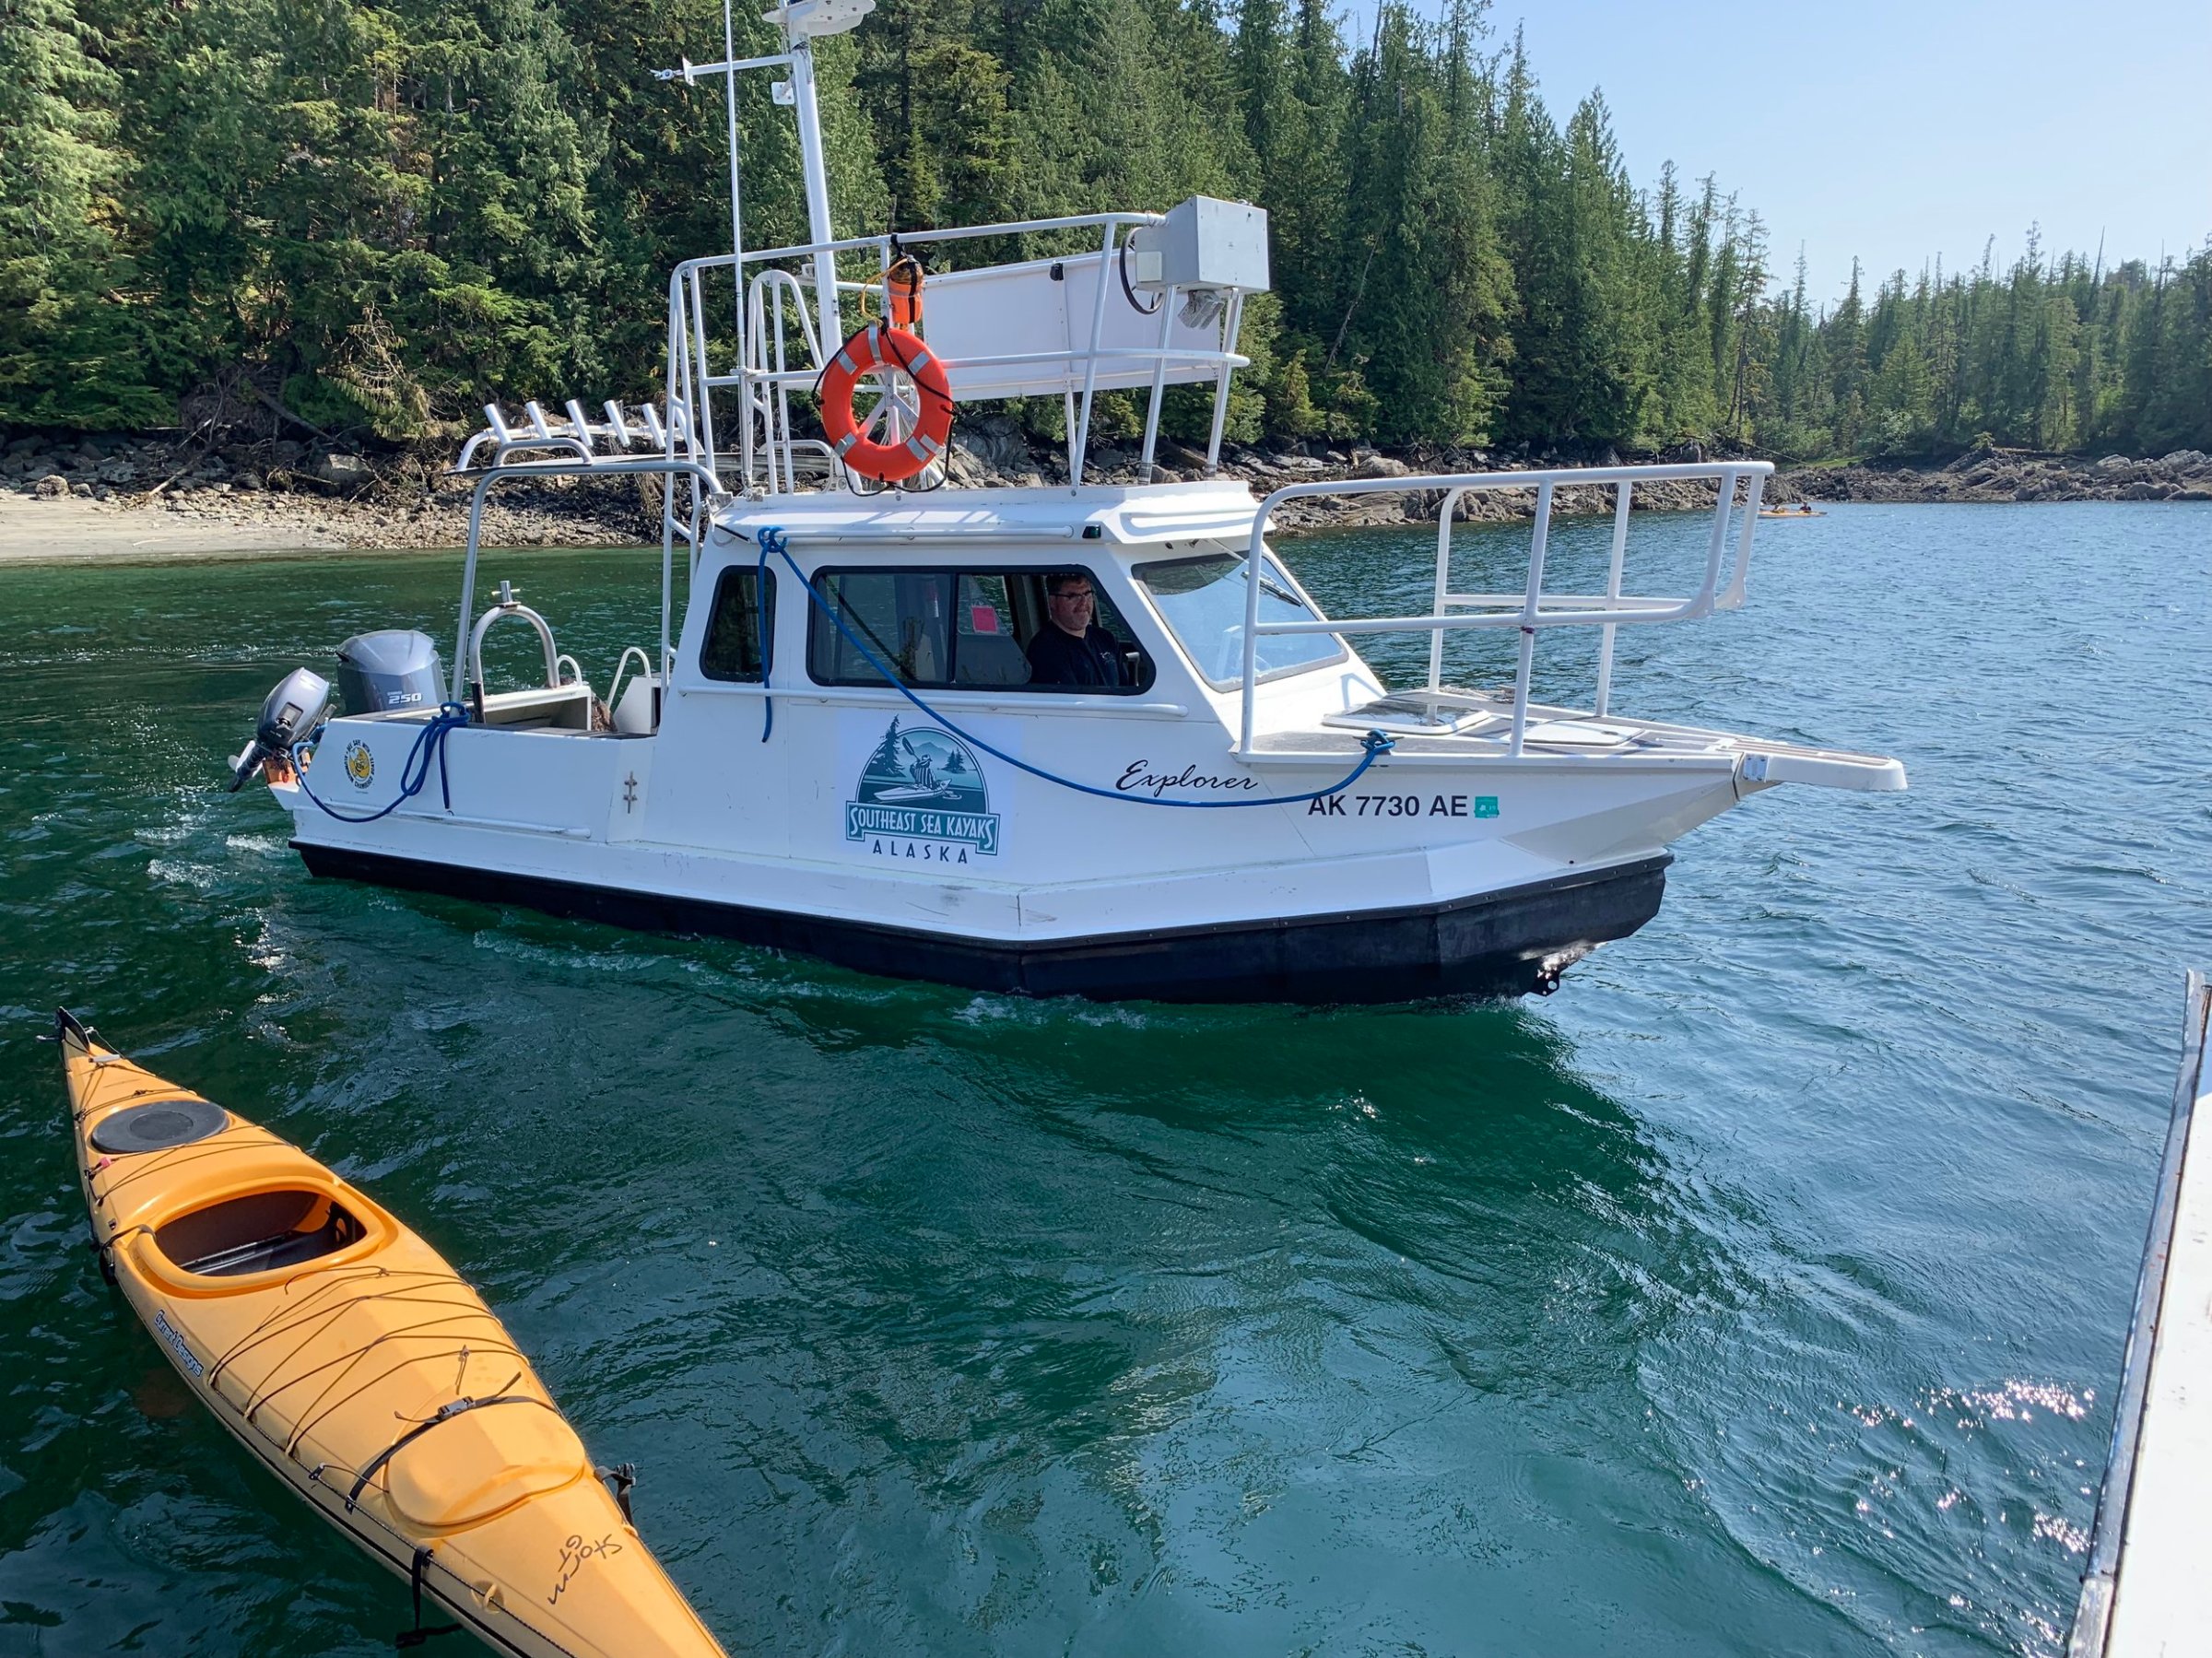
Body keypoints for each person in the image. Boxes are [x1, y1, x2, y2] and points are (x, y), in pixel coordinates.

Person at [1026, 571, 1131, 688]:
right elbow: (1068, 703)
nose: (1083, 602)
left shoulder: (1106, 638)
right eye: (1073, 596)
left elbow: (1127, 690)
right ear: (1052, 602)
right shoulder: (1045, 650)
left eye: (1087, 594)